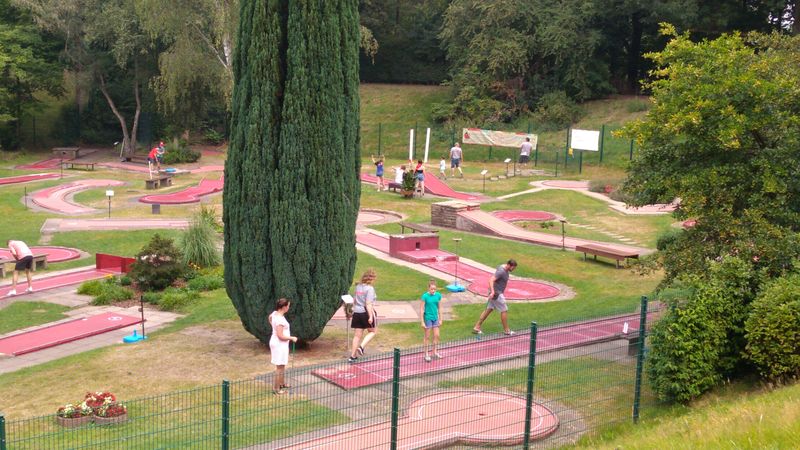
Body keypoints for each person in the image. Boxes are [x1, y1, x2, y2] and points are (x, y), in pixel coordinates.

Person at [472, 259, 518, 335]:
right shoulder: (502, 271)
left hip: (494, 294)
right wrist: (493, 292)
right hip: (497, 294)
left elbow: (502, 266)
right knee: (504, 310)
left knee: (488, 309)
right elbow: (491, 280)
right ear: (509, 265)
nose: (513, 269)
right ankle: (507, 331)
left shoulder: (503, 267)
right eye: (513, 268)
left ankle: (477, 327)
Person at [268, 298, 298, 395]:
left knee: (282, 365)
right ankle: (276, 389)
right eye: (288, 306)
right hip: (279, 344)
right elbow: (280, 336)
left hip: (278, 343)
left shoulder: (275, 314)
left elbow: (270, 318)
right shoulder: (280, 319)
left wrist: (274, 327)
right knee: (279, 367)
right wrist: (292, 338)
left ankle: (282, 383)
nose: (289, 307)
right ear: (284, 307)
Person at [349, 269, 378, 363]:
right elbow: (368, 303)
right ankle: (361, 347)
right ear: (372, 279)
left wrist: (352, 309)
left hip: (357, 312)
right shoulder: (370, 289)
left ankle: (352, 356)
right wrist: (370, 316)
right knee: (373, 331)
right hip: (365, 312)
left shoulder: (358, 287)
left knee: (357, 336)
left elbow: (354, 299)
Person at [420, 280, 443, 362]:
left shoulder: (438, 296)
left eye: (434, 289)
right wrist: (422, 321)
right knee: (427, 336)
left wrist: (440, 319)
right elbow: (422, 309)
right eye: (432, 289)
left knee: (437, 335)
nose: (433, 291)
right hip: (428, 318)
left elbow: (440, 307)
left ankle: (434, 352)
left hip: (435, 318)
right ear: (428, 288)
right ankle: (426, 354)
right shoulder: (425, 296)